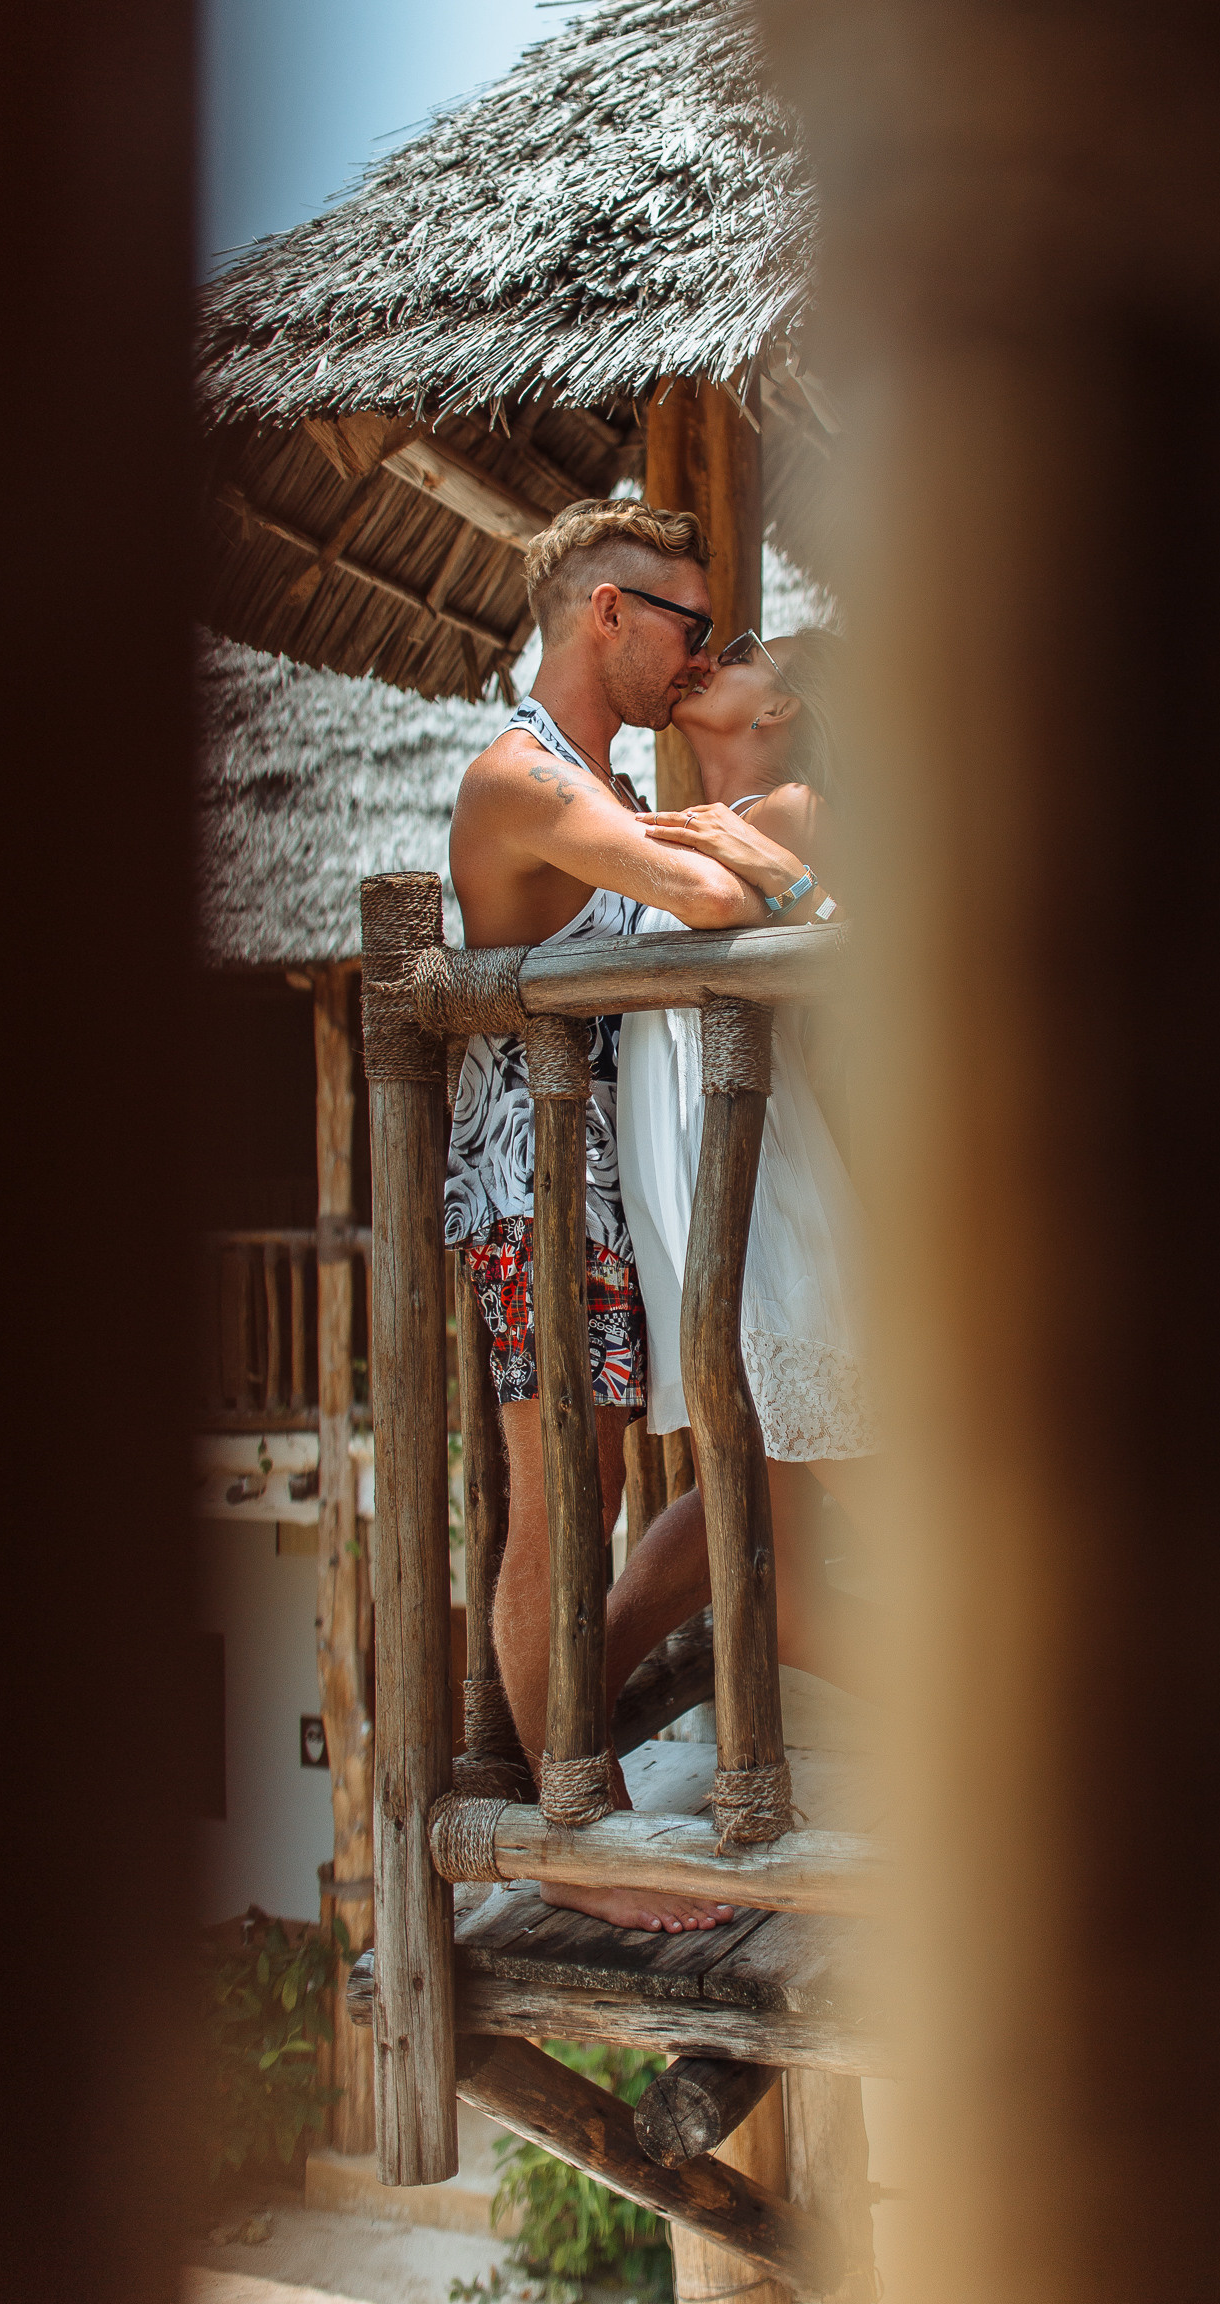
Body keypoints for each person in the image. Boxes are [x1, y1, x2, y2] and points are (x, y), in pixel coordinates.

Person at [445, 497, 825, 1934]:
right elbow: (712, 887)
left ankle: (576, 1771)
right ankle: (574, 1840)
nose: (693, 655)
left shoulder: (589, 787)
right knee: (561, 1503)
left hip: (614, 1193)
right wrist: (707, 844)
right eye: (681, 623)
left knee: (628, 1486)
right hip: (537, 1197)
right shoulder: (519, 780)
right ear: (605, 612)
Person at [617, 626, 889, 1702]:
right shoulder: (713, 824)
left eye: (734, 649)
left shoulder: (793, 816)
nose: (705, 656)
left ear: (774, 711)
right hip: (707, 1186)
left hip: (763, 1192)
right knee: (765, 1499)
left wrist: (781, 882)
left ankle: (1059, 1759)